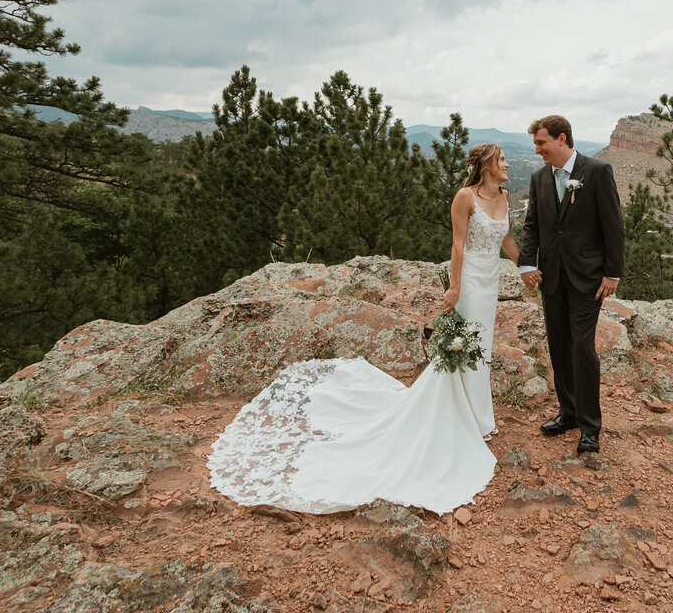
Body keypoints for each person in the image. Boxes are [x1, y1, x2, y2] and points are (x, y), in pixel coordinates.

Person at [207, 144, 519, 515]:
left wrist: (529, 267)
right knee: (462, 345)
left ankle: (479, 415)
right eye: (502, 160)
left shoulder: (505, 195)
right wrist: (453, 286)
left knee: (480, 346)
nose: (507, 164)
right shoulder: (464, 197)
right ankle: (465, 415)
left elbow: (507, 241)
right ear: (486, 165)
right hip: (468, 282)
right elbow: (458, 243)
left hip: (491, 281)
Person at [518, 115, 624, 455]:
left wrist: (613, 273)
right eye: (535, 144)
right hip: (552, 277)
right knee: (559, 347)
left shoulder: (597, 171)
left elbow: (613, 225)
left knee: (582, 348)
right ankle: (568, 413)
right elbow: (532, 225)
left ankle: (590, 427)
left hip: (588, 278)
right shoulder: (538, 178)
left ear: (562, 139)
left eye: (541, 143)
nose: (537, 150)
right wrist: (527, 263)